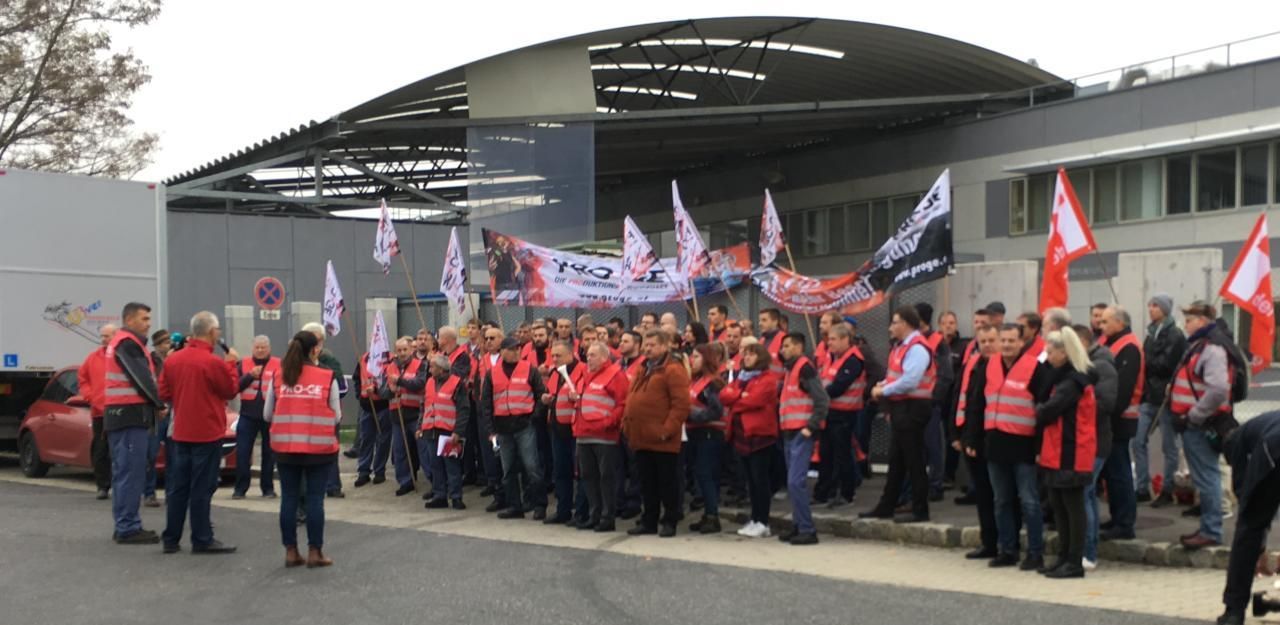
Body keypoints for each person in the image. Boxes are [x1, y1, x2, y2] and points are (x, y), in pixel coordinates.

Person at [157, 311, 240, 555]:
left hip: (181, 431)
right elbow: (230, 390)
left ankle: (171, 538)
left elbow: (163, 392)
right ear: (212, 332)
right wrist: (231, 365)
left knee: (177, 487)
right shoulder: (213, 362)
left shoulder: (173, 360)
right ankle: (202, 537)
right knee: (202, 488)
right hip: (207, 432)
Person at [265, 330, 341, 568]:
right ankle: (315, 552)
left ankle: (290, 551)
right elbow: (337, 416)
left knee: (288, 499)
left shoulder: (279, 376)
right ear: (314, 350)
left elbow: (267, 414)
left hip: (286, 449)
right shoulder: (327, 377)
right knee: (315, 500)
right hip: (318, 450)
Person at [983, 323, 1049, 571]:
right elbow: (980, 401)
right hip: (996, 443)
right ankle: (1007, 550)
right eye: (1004, 340)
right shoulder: (990, 364)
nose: (1007, 345)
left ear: (1022, 343)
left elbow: (1043, 409)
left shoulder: (1035, 368)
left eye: (1012, 340)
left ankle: (1035, 553)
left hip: (1024, 444)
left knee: (1029, 501)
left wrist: (1040, 446)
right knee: (1001, 500)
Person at [1035, 329, 1098, 579]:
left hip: (1071, 450)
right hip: (1058, 448)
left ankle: (1074, 561)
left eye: (1050, 352)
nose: (1047, 357)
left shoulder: (1073, 381)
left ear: (1064, 352)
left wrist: (1039, 409)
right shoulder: (1063, 378)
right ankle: (1064, 557)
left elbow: (1048, 410)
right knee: (1060, 506)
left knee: (1072, 507)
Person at [863, 306, 935, 524]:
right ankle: (887, 505)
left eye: (894, 322)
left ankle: (920, 509)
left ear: (905, 323)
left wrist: (882, 391)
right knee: (897, 461)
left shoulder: (917, 348)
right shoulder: (901, 347)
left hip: (913, 408)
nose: (890, 327)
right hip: (901, 408)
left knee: (914, 461)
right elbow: (895, 376)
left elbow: (910, 381)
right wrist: (882, 385)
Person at [1171, 300, 1231, 549]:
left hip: (1200, 424)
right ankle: (1209, 528)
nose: (1186, 324)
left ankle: (1211, 531)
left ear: (1203, 322)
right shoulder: (1201, 346)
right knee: (1206, 477)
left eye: (1190, 319)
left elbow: (1218, 389)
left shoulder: (1211, 349)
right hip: (1197, 422)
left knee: (1207, 478)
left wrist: (1194, 415)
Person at [103, 302, 165, 545]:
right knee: (131, 473)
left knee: (124, 473)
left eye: (149, 319)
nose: (148, 323)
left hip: (122, 417)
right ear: (129, 320)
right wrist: (159, 404)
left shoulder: (126, 343)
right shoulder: (127, 344)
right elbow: (142, 379)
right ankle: (128, 527)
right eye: (144, 318)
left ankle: (125, 524)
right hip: (129, 417)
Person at [622, 330, 691, 537]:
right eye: (646, 345)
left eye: (652, 345)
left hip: (662, 438)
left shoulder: (672, 369)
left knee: (667, 483)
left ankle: (670, 520)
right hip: (640, 436)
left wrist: (666, 430)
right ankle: (649, 520)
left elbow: (681, 405)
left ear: (664, 346)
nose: (647, 348)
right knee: (647, 483)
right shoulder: (644, 368)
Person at [1217, 413, 1280, 625]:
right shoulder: (1262, 423)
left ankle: (1234, 611)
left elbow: (1248, 506)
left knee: (1248, 531)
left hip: (1273, 450)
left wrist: (1257, 546)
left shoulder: (1236, 443)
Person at [481, 337, 549, 520]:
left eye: (518, 349)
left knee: (532, 467)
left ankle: (539, 505)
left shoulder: (529, 369)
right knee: (508, 470)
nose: (517, 352)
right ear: (503, 351)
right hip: (502, 428)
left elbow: (540, 394)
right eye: (512, 349)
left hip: (524, 425)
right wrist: (490, 429)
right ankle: (514, 506)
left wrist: (533, 418)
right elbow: (486, 403)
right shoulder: (491, 373)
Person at [1133, 294, 1188, 505]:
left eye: (1155, 305)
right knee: (1137, 441)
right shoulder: (1150, 334)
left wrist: (1146, 359)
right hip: (1149, 396)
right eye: (1150, 305)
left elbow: (1165, 365)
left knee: (1169, 446)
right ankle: (1142, 487)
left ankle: (1167, 489)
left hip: (1166, 398)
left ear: (1165, 309)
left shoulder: (1174, 335)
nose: (1151, 308)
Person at [722, 343, 781, 538]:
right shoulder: (741, 378)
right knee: (750, 481)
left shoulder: (768, 379)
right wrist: (740, 396)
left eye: (751, 354)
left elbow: (754, 401)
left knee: (760, 480)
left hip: (759, 435)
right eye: (745, 354)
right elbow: (724, 395)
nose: (746, 357)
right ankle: (755, 519)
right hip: (742, 436)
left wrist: (736, 399)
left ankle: (763, 521)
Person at [777, 333, 830, 545]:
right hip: (790, 432)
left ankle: (807, 529)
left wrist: (811, 427)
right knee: (793, 484)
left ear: (799, 347)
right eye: (782, 346)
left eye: (787, 346)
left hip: (801, 432)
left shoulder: (804, 368)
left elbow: (822, 400)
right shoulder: (790, 369)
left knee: (795, 482)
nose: (783, 350)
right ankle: (799, 525)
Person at [1071, 324, 1116, 572]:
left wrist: (1074, 411)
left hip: (1095, 441)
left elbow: (1106, 402)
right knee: (1083, 493)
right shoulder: (1083, 364)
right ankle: (1083, 549)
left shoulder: (1101, 365)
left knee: (1086, 493)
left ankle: (1088, 551)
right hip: (1082, 440)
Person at [954, 324, 1000, 560]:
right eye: (983, 342)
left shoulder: (1004, 367)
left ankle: (1006, 544)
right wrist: (959, 435)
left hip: (1000, 441)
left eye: (992, 340)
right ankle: (989, 543)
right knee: (983, 495)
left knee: (1002, 496)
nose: (988, 345)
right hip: (975, 439)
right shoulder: (974, 364)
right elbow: (963, 399)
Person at [1097, 307, 1142, 545]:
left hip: (1120, 420)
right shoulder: (1113, 343)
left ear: (1118, 322)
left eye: (1105, 321)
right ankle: (1117, 518)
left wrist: (1108, 412)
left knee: (1119, 472)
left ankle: (1124, 522)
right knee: (1113, 473)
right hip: (1114, 419)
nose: (1100, 325)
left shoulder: (1128, 347)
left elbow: (1122, 389)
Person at [574, 343, 629, 532]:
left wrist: (608, 423)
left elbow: (623, 403)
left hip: (604, 436)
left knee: (606, 478)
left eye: (593, 355)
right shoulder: (586, 375)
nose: (588, 358)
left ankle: (607, 517)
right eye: (588, 355)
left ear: (605, 357)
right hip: (584, 434)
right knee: (588, 477)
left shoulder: (615, 375)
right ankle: (594, 514)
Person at [814, 323, 865, 509]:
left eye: (834, 339)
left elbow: (838, 386)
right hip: (830, 412)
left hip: (845, 414)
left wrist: (818, 394)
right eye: (829, 339)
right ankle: (824, 492)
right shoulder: (831, 357)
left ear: (845, 339)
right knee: (826, 454)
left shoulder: (853, 360)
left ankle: (846, 494)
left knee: (842, 455)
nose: (829, 343)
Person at [541, 340, 587, 525]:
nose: (554, 359)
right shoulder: (555, 374)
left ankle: (582, 512)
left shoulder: (582, 370)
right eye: (552, 356)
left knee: (580, 473)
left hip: (575, 429)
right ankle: (563, 510)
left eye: (558, 355)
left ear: (571, 354)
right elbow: (553, 394)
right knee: (561, 471)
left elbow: (584, 394)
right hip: (557, 429)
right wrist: (547, 399)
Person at [301, 322, 348, 499]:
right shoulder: (293, 364)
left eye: (317, 340)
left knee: (330, 451)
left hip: (326, 417)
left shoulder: (329, 361)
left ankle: (333, 485)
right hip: (303, 419)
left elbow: (342, 388)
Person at [685, 343, 727, 534]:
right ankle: (708, 514)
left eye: (696, 357)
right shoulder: (695, 381)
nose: (692, 361)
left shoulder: (712, 383)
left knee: (706, 474)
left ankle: (712, 516)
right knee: (700, 475)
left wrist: (691, 414)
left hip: (708, 433)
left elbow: (716, 410)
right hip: (696, 432)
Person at [418, 354, 470, 510]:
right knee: (435, 465)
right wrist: (420, 426)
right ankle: (439, 495)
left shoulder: (457, 384)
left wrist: (458, 431)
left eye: (432, 366)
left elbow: (464, 409)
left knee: (452, 465)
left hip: (448, 432)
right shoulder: (429, 382)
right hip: (430, 430)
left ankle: (456, 497)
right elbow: (424, 406)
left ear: (441, 369)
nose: (430, 369)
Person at [233, 335, 280, 500]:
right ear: (252, 348)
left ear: (269, 348)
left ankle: (267, 488)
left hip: (270, 416)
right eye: (257, 347)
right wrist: (249, 376)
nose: (260, 351)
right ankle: (240, 489)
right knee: (243, 453)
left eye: (263, 348)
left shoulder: (278, 364)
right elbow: (234, 387)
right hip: (247, 414)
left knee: (269, 454)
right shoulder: (243, 364)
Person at [914, 302, 953, 502]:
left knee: (933, 445)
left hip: (929, 403)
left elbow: (946, 374)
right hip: (912, 403)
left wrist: (934, 399)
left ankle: (935, 485)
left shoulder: (938, 342)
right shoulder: (911, 341)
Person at [79, 323, 118, 501]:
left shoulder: (122, 357)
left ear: (116, 336)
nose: (103, 339)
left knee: (119, 451)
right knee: (100, 451)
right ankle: (102, 486)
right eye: (102, 336)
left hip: (120, 412)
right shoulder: (93, 358)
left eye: (107, 336)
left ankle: (119, 485)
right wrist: (90, 397)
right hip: (99, 413)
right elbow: (83, 378)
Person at [386, 337, 427, 496]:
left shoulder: (420, 365)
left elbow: (419, 384)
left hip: (415, 414)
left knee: (423, 451)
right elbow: (384, 391)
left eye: (405, 350)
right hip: (397, 415)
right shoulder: (391, 367)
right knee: (400, 451)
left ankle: (433, 480)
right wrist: (390, 389)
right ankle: (405, 481)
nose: (402, 353)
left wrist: (400, 382)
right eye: (399, 350)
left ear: (411, 350)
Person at [353, 344, 393, 488]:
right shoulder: (363, 358)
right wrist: (360, 394)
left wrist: (376, 390)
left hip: (383, 406)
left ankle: (379, 471)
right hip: (366, 406)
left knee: (383, 440)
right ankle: (363, 471)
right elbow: (357, 378)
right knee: (366, 440)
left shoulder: (390, 360)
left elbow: (390, 383)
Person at [143, 329, 172, 508]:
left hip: (171, 411)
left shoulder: (174, 360)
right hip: (155, 413)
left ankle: (171, 493)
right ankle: (149, 493)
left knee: (173, 456)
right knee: (151, 455)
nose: (167, 346)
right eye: (164, 343)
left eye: (168, 342)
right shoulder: (151, 362)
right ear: (158, 345)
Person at [757, 308, 786, 374]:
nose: (760, 323)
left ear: (775, 321)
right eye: (760, 320)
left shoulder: (784, 340)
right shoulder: (761, 340)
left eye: (764, 320)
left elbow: (789, 369)